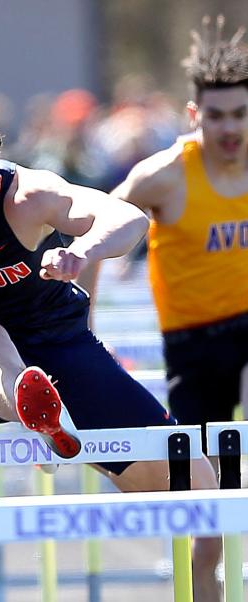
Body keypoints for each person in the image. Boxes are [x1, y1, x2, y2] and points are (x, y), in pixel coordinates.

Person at [0, 104, 221, 600]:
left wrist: (83, 250)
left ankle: (208, 591)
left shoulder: (29, 198)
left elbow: (128, 217)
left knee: (200, 493)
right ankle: (37, 415)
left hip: (63, 349)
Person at [105, 17, 248, 451]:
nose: (229, 129)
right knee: (205, 486)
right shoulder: (163, 176)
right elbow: (94, 228)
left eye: (240, 115)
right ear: (193, 115)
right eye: (216, 116)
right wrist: (84, 334)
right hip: (192, 342)